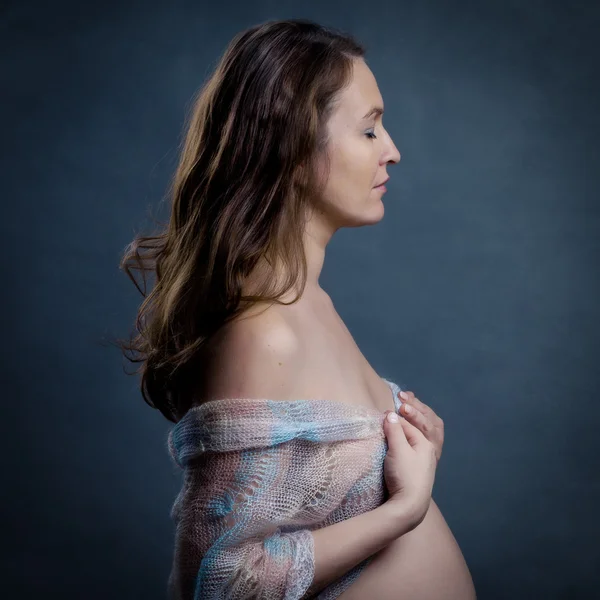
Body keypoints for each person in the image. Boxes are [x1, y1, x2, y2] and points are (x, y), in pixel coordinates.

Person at [118, 18, 476, 599]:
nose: (393, 151)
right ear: (292, 146)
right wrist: (403, 509)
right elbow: (222, 580)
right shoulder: (261, 332)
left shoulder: (312, 302)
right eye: (369, 130)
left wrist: (413, 457)